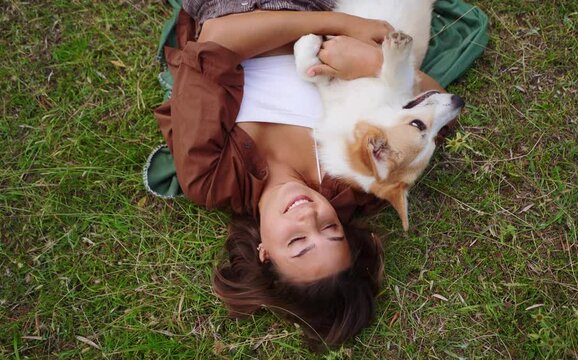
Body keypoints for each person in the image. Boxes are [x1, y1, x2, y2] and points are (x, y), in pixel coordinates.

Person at [153, 1, 447, 347]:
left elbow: (217, 41)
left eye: (297, 242)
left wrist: (344, 25)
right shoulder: (354, 179)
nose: (309, 214)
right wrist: (374, 62)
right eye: (330, 229)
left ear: (265, 254)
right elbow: (437, 109)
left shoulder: (211, 178)